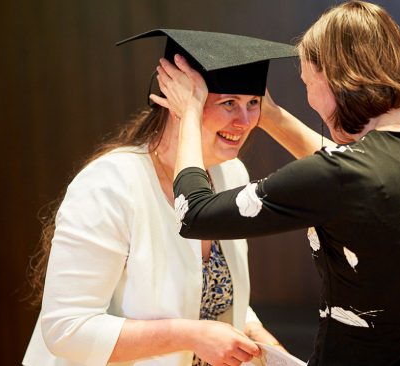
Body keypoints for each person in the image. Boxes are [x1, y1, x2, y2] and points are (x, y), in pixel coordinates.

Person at [151, 1, 400, 365]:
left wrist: (190, 112)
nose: (309, 98)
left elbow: (194, 214)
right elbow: (354, 177)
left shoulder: (343, 174)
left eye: (307, 82)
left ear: (335, 78)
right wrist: (269, 115)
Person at [23, 29, 296, 366]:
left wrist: (256, 334)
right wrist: (191, 335)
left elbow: (208, 291)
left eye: (252, 103)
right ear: (179, 102)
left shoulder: (231, 174)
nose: (243, 121)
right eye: (228, 103)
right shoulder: (110, 184)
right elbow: (67, 328)